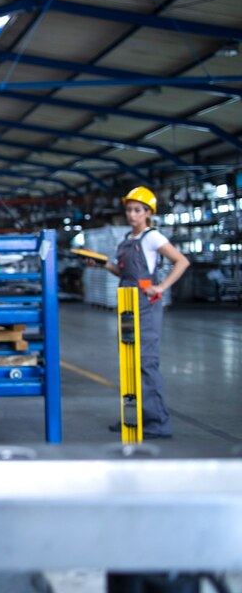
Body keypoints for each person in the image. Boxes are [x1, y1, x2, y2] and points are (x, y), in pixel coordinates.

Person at [94, 186, 190, 439]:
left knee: (146, 363)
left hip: (145, 308)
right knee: (130, 362)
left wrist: (161, 287)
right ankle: (132, 419)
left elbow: (182, 261)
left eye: (138, 210)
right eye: (129, 210)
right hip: (126, 306)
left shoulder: (153, 238)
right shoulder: (128, 239)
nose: (132, 215)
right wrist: (104, 264)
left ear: (148, 213)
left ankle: (157, 423)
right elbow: (124, 273)